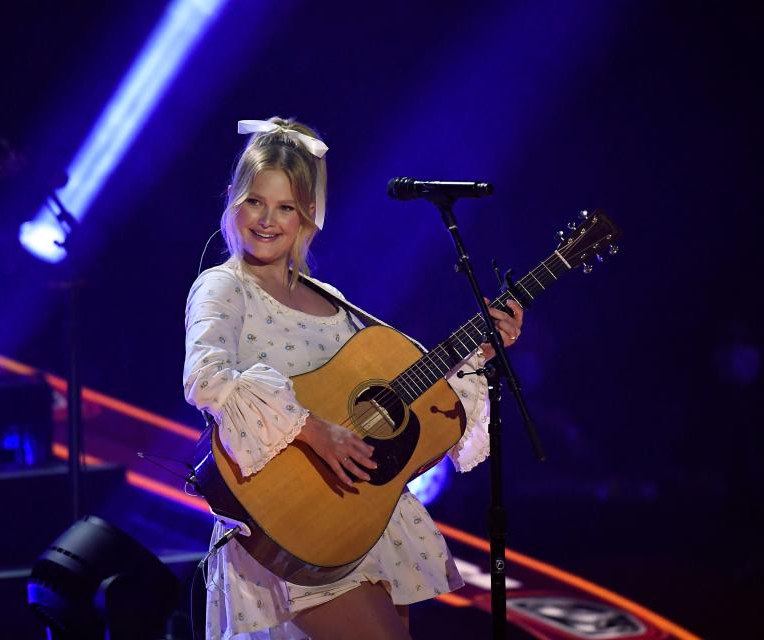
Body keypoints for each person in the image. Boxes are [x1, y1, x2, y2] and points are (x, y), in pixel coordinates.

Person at [183, 117, 524, 639]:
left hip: (357, 515)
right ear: (233, 200)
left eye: (285, 207)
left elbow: (402, 391)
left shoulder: (329, 297)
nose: (267, 220)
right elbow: (207, 379)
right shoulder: (223, 287)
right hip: (290, 521)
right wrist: (316, 431)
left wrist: (478, 352)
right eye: (255, 201)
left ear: (309, 215)